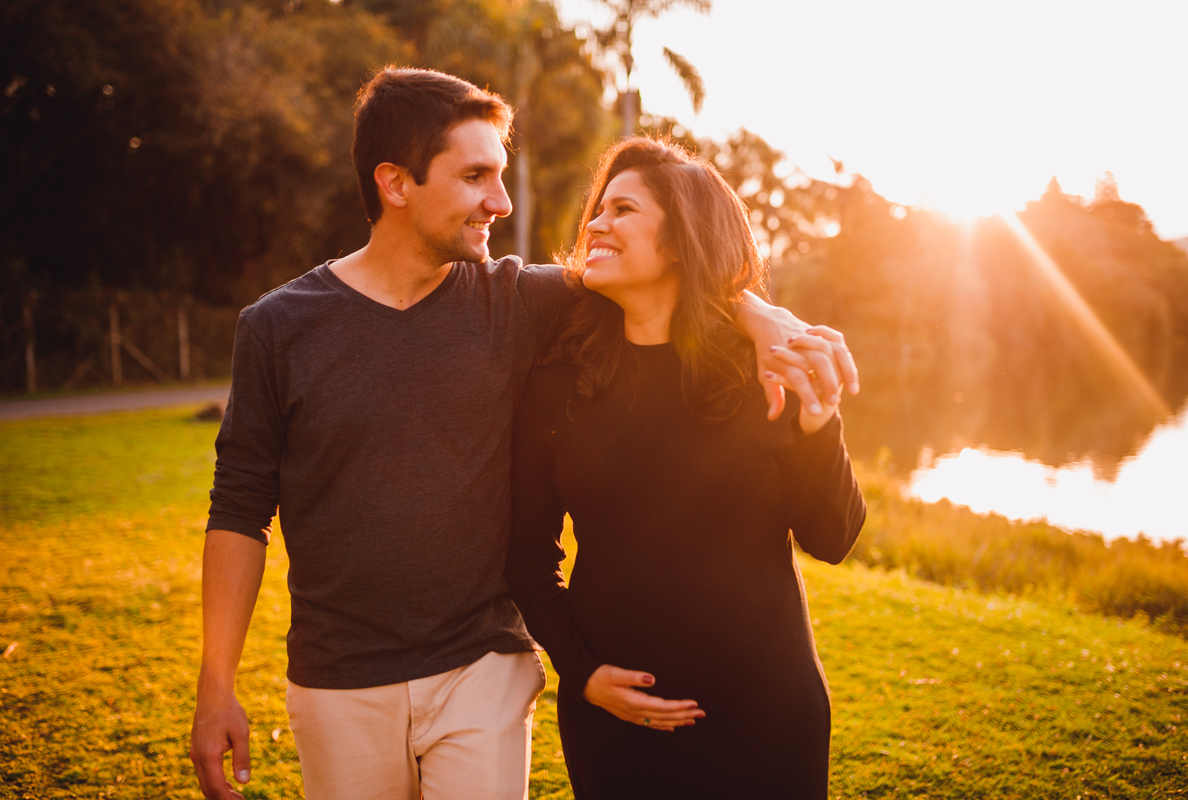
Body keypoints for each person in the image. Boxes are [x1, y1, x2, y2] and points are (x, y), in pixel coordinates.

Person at [190, 67, 858, 800]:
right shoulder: (278, 328)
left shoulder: (517, 299)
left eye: (501, 175)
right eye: (476, 176)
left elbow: (676, 276)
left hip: (484, 668)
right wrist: (215, 685)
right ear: (395, 182)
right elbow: (239, 507)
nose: (500, 203)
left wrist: (764, 319)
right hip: (337, 677)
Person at [506, 138, 867, 799]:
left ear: (680, 241)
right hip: (615, 726)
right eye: (599, 208)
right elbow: (527, 556)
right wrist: (581, 672)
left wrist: (820, 424)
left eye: (623, 210)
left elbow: (833, 538)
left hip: (766, 716)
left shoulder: (761, 369)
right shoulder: (558, 383)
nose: (596, 223)